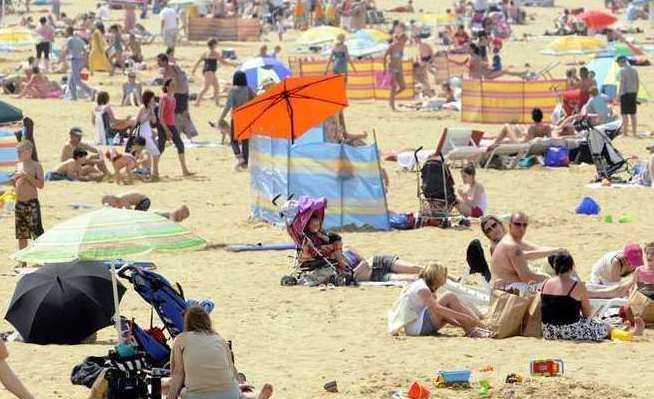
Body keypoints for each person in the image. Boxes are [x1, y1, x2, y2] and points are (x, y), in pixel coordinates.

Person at [167, 306, 274, 399]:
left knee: (183, 391)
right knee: (236, 392)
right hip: (229, 393)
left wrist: (170, 396)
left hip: (198, 395)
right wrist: (239, 385)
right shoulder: (219, 339)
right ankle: (254, 396)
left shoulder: (181, 339)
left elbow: (177, 374)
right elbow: (232, 370)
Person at [541, 254, 644, 341]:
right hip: (568, 331)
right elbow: (587, 313)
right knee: (605, 327)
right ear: (572, 267)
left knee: (599, 325)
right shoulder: (578, 286)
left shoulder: (545, 283)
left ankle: (619, 331)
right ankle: (631, 335)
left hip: (548, 331)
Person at [387, 262, 489, 337]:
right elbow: (437, 309)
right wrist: (466, 318)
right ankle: (476, 327)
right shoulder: (422, 288)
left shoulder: (421, 284)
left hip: (416, 325)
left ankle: (473, 328)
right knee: (449, 296)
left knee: (449, 301)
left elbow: (443, 314)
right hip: (417, 328)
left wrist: (463, 322)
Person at [490, 212, 565, 293]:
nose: (521, 228)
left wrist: (557, 250)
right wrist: (548, 279)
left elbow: (535, 249)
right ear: (510, 225)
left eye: (524, 225)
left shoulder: (511, 239)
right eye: (517, 225)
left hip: (513, 284)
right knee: (558, 287)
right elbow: (526, 277)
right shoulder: (510, 245)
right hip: (511, 288)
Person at [12, 141, 44, 258]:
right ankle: (22, 260)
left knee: (36, 233)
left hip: (31, 203)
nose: (18, 154)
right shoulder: (18, 165)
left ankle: (39, 258)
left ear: (29, 152)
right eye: (17, 151)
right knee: (21, 235)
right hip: (19, 203)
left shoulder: (36, 166)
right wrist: (14, 183)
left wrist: (27, 176)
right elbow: (16, 184)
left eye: (21, 151)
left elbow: (40, 185)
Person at [218, 71, 256, 170]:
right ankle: (245, 164)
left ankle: (239, 158)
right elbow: (256, 99)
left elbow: (228, 106)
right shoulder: (248, 89)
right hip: (247, 117)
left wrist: (221, 118)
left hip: (236, 117)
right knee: (245, 141)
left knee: (234, 140)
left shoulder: (232, 90)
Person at [157, 54, 199, 140]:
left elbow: (181, 79)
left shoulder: (172, 68)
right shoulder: (167, 70)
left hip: (179, 94)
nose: (158, 63)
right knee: (179, 116)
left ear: (164, 61)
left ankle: (184, 136)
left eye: (159, 61)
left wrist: (182, 90)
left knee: (180, 116)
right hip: (178, 94)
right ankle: (186, 136)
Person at [158, 80, 193, 176]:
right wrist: (166, 130)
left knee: (180, 145)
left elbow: (172, 115)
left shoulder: (173, 99)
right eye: (172, 85)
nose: (174, 86)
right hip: (163, 126)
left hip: (171, 125)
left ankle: (184, 170)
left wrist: (174, 127)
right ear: (167, 87)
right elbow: (160, 116)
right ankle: (154, 170)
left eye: (175, 85)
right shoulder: (163, 98)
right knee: (160, 148)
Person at [192, 38, 233, 107]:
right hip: (209, 71)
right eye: (216, 43)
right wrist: (233, 64)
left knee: (216, 87)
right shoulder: (215, 53)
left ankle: (217, 103)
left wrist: (194, 69)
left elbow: (199, 61)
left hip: (208, 71)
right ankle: (197, 102)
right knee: (206, 88)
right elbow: (223, 62)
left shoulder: (205, 52)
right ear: (214, 44)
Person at [343, 248, 423, 283]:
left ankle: (435, 272)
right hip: (375, 276)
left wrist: (354, 272)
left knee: (415, 268)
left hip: (379, 261)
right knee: (413, 278)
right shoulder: (334, 267)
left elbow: (364, 261)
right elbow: (349, 276)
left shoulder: (348, 249)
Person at [62, 27, 95, 101]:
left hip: (75, 60)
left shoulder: (69, 40)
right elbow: (86, 49)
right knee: (71, 80)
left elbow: (67, 50)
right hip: (81, 60)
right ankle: (73, 96)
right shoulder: (79, 39)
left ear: (68, 31)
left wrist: (61, 58)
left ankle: (90, 91)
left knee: (77, 80)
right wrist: (86, 61)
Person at [134, 90, 161, 180]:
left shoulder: (150, 108)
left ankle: (150, 172)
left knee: (145, 154)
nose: (154, 100)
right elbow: (137, 121)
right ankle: (155, 173)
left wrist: (152, 112)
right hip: (142, 134)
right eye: (152, 98)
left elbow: (154, 121)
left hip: (147, 133)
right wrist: (147, 117)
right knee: (155, 153)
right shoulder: (142, 108)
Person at [383, 33, 408, 111]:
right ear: (400, 39)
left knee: (403, 87)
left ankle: (391, 99)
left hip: (399, 68)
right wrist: (384, 68)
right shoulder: (392, 46)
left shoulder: (402, 46)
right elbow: (384, 56)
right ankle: (392, 105)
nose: (405, 42)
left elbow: (400, 58)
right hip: (392, 68)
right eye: (404, 40)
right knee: (393, 87)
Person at [617, 56, 639, 137]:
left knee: (624, 114)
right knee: (633, 114)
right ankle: (634, 133)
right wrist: (636, 93)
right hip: (633, 93)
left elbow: (622, 83)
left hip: (625, 93)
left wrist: (619, 95)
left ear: (621, 62)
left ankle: (625, 133)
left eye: (618, 62)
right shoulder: (634, 69)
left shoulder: (622, 70)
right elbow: (637, 82)